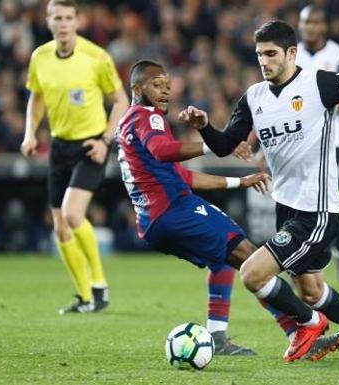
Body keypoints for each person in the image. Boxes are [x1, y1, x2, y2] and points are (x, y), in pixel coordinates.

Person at [179, 20, 339, 362]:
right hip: (287, 206)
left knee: (252, 274)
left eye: (271, 54)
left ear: (291, 53)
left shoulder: (318, 83)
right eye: (259, 55)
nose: (264, 61)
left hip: (319, 209)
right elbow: (225, 146)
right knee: (310, 290)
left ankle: (309, 325)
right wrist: (205, 127)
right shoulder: (254, 97)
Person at [117, 59, 296, 356]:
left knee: (223, 260)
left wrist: (240, 182)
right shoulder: (147, 117)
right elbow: (163, 152)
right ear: (137, 88)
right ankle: (298, 329)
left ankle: (217, 337)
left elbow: (183, 176)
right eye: (156, 85)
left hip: (153, 222)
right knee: (252, 259)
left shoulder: (129, 123)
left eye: (167, 85)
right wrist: (218, 143)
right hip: (174, 210)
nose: (165, 91)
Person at [20, 0, 129, 314]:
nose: (64, 23)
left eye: (69, 17)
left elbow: (120, 101)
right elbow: (36, 97)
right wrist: (29, 133)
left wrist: (106, 140)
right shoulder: (39, 57)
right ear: (49, 21)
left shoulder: (96, 57)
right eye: (58, 18)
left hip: (90, 146)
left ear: (77, 21)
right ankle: (85, 298)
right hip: (59, 146)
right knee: (60, 226)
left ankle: (100, 285)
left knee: (71, 214)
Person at [297, 5, 339, 283]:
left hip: (332, 141)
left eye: (316, 22)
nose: (311, 27)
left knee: (334, 198)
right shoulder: (289, 52)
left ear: (324, 27)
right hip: (297, 138)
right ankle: (306, 259)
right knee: (300, 199)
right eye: (307, 23)